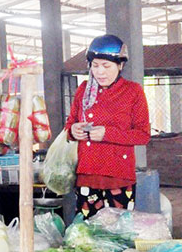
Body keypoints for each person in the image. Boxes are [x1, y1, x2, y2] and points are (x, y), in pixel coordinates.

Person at [64, 34, 151, 219]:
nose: (100, 72)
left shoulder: (133, 91)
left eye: (106, 66)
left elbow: (143, 135)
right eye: (95, 66)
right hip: (87, 173)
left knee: (118, 234)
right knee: (87, 234)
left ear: (120, 65)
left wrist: (107, 134)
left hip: (118, 175)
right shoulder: (83, 90)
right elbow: (69, 124)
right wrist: (73, 131)